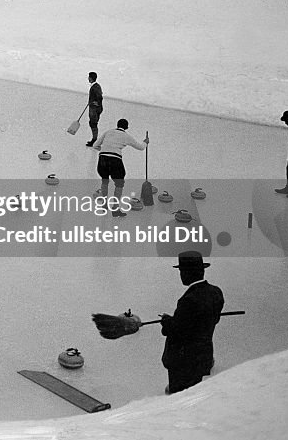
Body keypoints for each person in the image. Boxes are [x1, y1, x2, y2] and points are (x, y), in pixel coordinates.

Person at [161, 251, 225, 395]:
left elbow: (178, 331)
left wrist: (166, 322)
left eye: (182, 271)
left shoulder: (188, 300)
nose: (181, 275)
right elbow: (211, 319)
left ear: (187, 273)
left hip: (184, 363)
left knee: (180, 400)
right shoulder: (216, 293)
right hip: (204, 357)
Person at [92, 119, 148, 217]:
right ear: (126, 127)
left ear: (117, 125)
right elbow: (141, 147)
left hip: (102, 160)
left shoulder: (108, 132)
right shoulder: (126, 136)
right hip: (115, 161)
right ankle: (115, 208)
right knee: (119, 183)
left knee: (104, 181)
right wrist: (145, 142)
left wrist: (104, 150)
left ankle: (104, 205)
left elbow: (95, 145)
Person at [87, 72, 103, 146]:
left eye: (89, 77)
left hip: (94, 109)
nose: (88, 78)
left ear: (91, 78)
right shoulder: (95, 86)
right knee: (92, 123)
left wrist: (96, 103)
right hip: (94, 108)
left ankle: (94, 140)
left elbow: (99, 97)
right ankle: (94, 139)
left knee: (93, 123)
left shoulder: (95, 87)